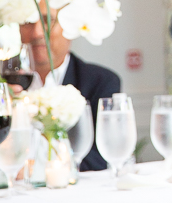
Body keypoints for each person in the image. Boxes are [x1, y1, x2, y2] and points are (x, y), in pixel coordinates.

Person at [19, 11, 120, 171]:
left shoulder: (100, 82)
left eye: (48, 20)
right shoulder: (2, 85)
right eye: (28, 22)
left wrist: (35, 171)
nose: (37, 32)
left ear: (71, 26)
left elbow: (99, 160)